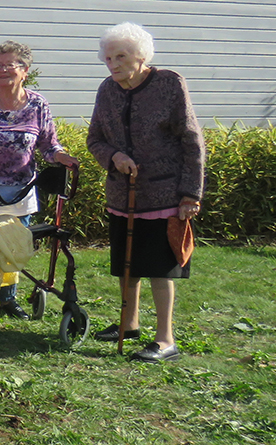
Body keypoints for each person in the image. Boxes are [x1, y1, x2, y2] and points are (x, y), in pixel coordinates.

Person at [87, 22, 205, 363]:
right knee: (127, 266)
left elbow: (192, 139)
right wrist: (114, 157)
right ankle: (129, 324)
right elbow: (94, 139)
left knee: (159, 268)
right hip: (123, 196)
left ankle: (166, 339)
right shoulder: (107, 90)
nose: (113, 64)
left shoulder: (169, 83)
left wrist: (190, 194)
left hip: (165, 194)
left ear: (141, 56)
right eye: (108, 58)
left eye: (121, 56)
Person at [0, 40, 78, 319]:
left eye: (10, 65)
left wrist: (62, 157)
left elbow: (48, 147)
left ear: (25, 70)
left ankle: (7, 298)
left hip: (21, 192)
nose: (2, 70)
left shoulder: (37, 105)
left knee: (12, 245)